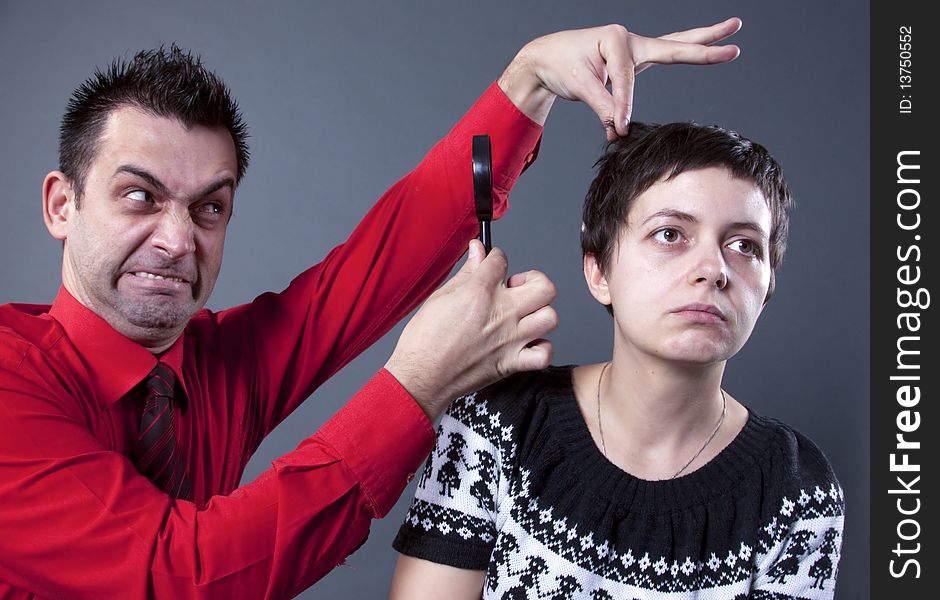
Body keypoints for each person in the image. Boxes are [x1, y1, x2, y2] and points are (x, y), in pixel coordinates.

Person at [0, 16, 744, 598]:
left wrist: (529, 81)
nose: (175, 239)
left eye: (209, 208)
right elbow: (179, 577)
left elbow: (370, 269)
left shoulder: (211, 366)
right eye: (140, 196)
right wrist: (418, 385)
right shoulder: (10, 384)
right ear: (62, 204)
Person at [391, 122, 845, 598]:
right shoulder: (497, 426)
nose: (713, 270)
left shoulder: (798, 489)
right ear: (600, 271)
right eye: (670, 234)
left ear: (768, 286)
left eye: (744, 246)